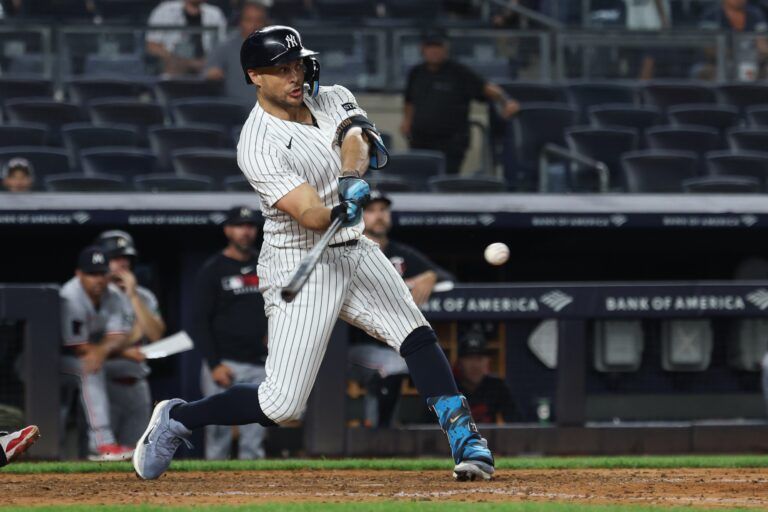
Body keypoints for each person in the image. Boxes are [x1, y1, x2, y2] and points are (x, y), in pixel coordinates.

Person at [133, 25, 494, 483]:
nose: (294, 76)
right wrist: (335, 208)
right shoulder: (256, 143)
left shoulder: (330, 95)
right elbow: (307, 213)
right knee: (281, 406)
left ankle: (465, 438)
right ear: (254, 77)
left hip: (355, 248)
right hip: (300, 257)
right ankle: (180, 417)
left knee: (415, 334)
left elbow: (356, 137)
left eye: (297, 64)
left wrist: (349, 176)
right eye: (280, 70)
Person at [348, 190, 454, 427]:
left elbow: (449, 278)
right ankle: (379, 434)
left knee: (402, 362)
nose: (379, 216)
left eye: (383, 210)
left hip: (391, 345)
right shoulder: (348, 249)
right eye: (372, 210)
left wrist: (431, 276)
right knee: (393, 364)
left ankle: (382, 435)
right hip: (350, 345)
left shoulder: (400, 254)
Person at [192, 205, 269, 459]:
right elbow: (199, 321)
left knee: (254, 438)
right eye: (239, 226)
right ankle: (213, 495)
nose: (245, 232)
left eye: (249, 226)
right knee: (217, 435)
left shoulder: (268, 264)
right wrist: (214, 364)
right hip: (225, 362)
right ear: (228, 230)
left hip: (259, 363)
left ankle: (255, 494)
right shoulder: (213, 269)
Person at [401, 28, 519, 175]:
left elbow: (486, 88)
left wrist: (506, 100)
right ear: (423, 49)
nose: (434, 51)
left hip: (451, 141)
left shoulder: (459, 72)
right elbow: (409, 100)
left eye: (438, 47)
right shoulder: (416, 72)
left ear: (446, 49)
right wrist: (406, 121)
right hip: (420, 139)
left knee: (447, 180)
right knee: (419, 176)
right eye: (430, 47)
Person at [60, 246, 136, 461]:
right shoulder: (70, 296)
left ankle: (105, 444)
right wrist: (108, 352)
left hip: (81, 359)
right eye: (92, 274)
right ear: (79, 274)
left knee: (96, 367)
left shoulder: (113, 294)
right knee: (88, 370)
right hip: (43, 361)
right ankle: (102, 443)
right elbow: (78, 347)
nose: (99, 279)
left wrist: (101, 351)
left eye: (102, 273)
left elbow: (118, 335)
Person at [96, 231, 165, 450]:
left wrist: (133, 296)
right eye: (116, 258)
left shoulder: (144, 296)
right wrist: (126, 348)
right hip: (103, 381)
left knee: (137, 450)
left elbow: (155, 334)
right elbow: (95, 342)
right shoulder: (95, 294)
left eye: (126, 258)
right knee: (98, 451)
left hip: (136, 383)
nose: (122, 263)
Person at [205, 0, 269, 104]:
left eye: (259, 20)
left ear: (266, 23)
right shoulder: (225, 47)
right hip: (235, 113)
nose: (254, 25)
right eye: (249, 20)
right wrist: (212, 74)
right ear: (240, 22)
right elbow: (209, 73)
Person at [146, 0, 228, 77]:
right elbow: (152, 46)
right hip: (174, 66)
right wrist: (181, 61)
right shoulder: (164, 10)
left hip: (205, 67)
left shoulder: (215, 13)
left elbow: (223, 46)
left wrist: (208, 62)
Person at [454, 330, 516, 424]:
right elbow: (427, 429)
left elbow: (517, 424)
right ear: (459, 363)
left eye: (479, 359)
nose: (475, 365)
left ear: (487, 362)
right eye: (469, 358)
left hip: (489, 438)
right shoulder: (448, 388)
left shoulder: (497, 386)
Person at [698, 0, 768, 80]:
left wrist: (755, 56)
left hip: (754, 62)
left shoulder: (756, 15)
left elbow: (763, 46)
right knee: (708, 72)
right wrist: (736, 56)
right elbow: (709, 49)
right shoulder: (712, 16)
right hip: (717, 64)